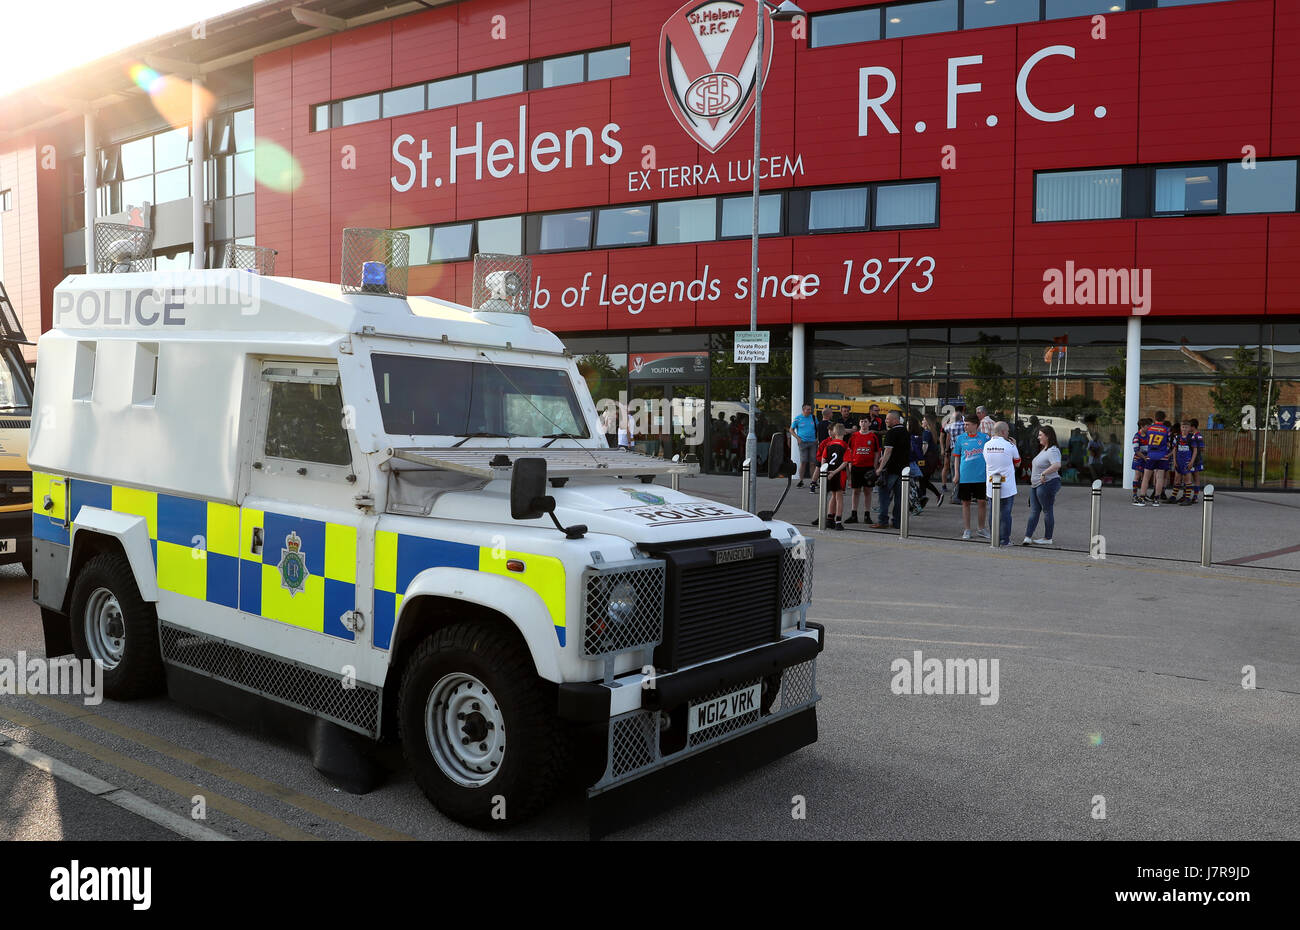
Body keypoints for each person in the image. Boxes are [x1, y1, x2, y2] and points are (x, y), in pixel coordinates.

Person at [982, 421, 1021, 547]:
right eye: (1008, 431)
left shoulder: (986, 445)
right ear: (1004, 432)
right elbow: (1018, 462)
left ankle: (994, 538)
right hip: (1007, 486)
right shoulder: (1009, 445)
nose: (1008, 433)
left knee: (993, 512)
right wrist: (1014, 446)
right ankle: (1005, 540)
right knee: (1005, 513)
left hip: (991, 485)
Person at [952, 417, 989, 540]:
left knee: (982, 502)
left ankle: (981, 529)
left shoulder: (985, 438)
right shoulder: (960, 439)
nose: (965, 426)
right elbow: (956, 458)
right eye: (964, 424)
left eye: (967, 424)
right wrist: (956, 474)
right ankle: (967, 529)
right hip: (965, 476)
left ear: (976, 425)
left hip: (981, 476)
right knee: (965, 503)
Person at [1023, 425, 1061, 545]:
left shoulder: (1053, 450)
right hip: (1036, 485)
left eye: (1040, 435)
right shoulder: (1044, 449)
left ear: (1048, 436)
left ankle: (1048, 538)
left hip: (1047, 484)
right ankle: (1027, 537)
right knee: (1034, 511)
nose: (1038, 437)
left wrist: (1044, 473)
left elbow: (1056, 465)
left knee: (1047, 510)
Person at [872, 410, 910, 529]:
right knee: (899, 498)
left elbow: (888, 452)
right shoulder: (905, 432)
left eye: (888, 419)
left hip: (891, 469)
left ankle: (882, 521)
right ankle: (897, 522)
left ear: (895, 420)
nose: (886, 421)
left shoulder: (891, 433)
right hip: (903, 470)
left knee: (884, 495)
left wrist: (880, 468)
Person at [814, 422, 851, 530]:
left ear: (833, 432)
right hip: (839, 473)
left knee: (833, 496)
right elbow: (845, 462)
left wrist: (824, 472)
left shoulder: (828, 445)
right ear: (844, 432)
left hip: (828, 472)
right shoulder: (845, 446)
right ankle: (838, 521)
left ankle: (830, 518)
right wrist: (836, 472)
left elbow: (823, 459)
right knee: (839, 497)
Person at [845, 416, 880, 524]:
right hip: (856, 467)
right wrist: (850, 464)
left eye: (865, 422)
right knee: (856, 491)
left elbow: (877, 452)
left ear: (869, 424)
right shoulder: (854, 436)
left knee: (867, 491)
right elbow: (849, 450)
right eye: (861, 421)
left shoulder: (873, 436)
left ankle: (867, 515)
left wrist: (875, 466)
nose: (863, 424)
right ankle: (854, 514)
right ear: (859, 423)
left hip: (868, 468)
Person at [1138, 411, 1172, 506]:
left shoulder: (1150, 428)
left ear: (1155, 417)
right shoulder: (1166, 430)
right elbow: (1170, 443)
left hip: (1151, 455)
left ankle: (1142, 497)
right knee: (1160, 477)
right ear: (1164, 418)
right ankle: (1156, 499)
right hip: (1162, 456)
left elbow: (1146, 439)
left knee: (1146, 477)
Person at [789, 403, 817, 488]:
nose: (810, 411)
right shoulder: (798, 418)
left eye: (810, 409)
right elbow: (791, 430)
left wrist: (817, 438)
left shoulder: (813, 417)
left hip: (813, 443)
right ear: (803, 410)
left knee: (813, 463)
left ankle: (813, 481)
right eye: (808, 409)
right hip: (803, 443)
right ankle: (801, 481)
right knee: (803, 462)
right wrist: (798, 438)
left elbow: (818, 428)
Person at [941, 402, 966, 490]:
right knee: (963, 468)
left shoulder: (950, 426)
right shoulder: (965, 425)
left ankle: (955, 487)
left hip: (954, 450)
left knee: (953, 468)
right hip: (964, 450)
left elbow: (944, 429)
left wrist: (946, 449)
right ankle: (962, 487)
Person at [1130, 418, 1150, 504]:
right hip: (1138, 458)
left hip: (1147, 458)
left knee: (1145, 477)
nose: (1148, 428)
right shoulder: (1137, 436)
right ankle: (1134, 495)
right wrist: (1144, 457)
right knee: (1137, 475)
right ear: (1141, 426)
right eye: (1147, 427)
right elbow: (1136, 450)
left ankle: (1143, 494)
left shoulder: (1149, 435)